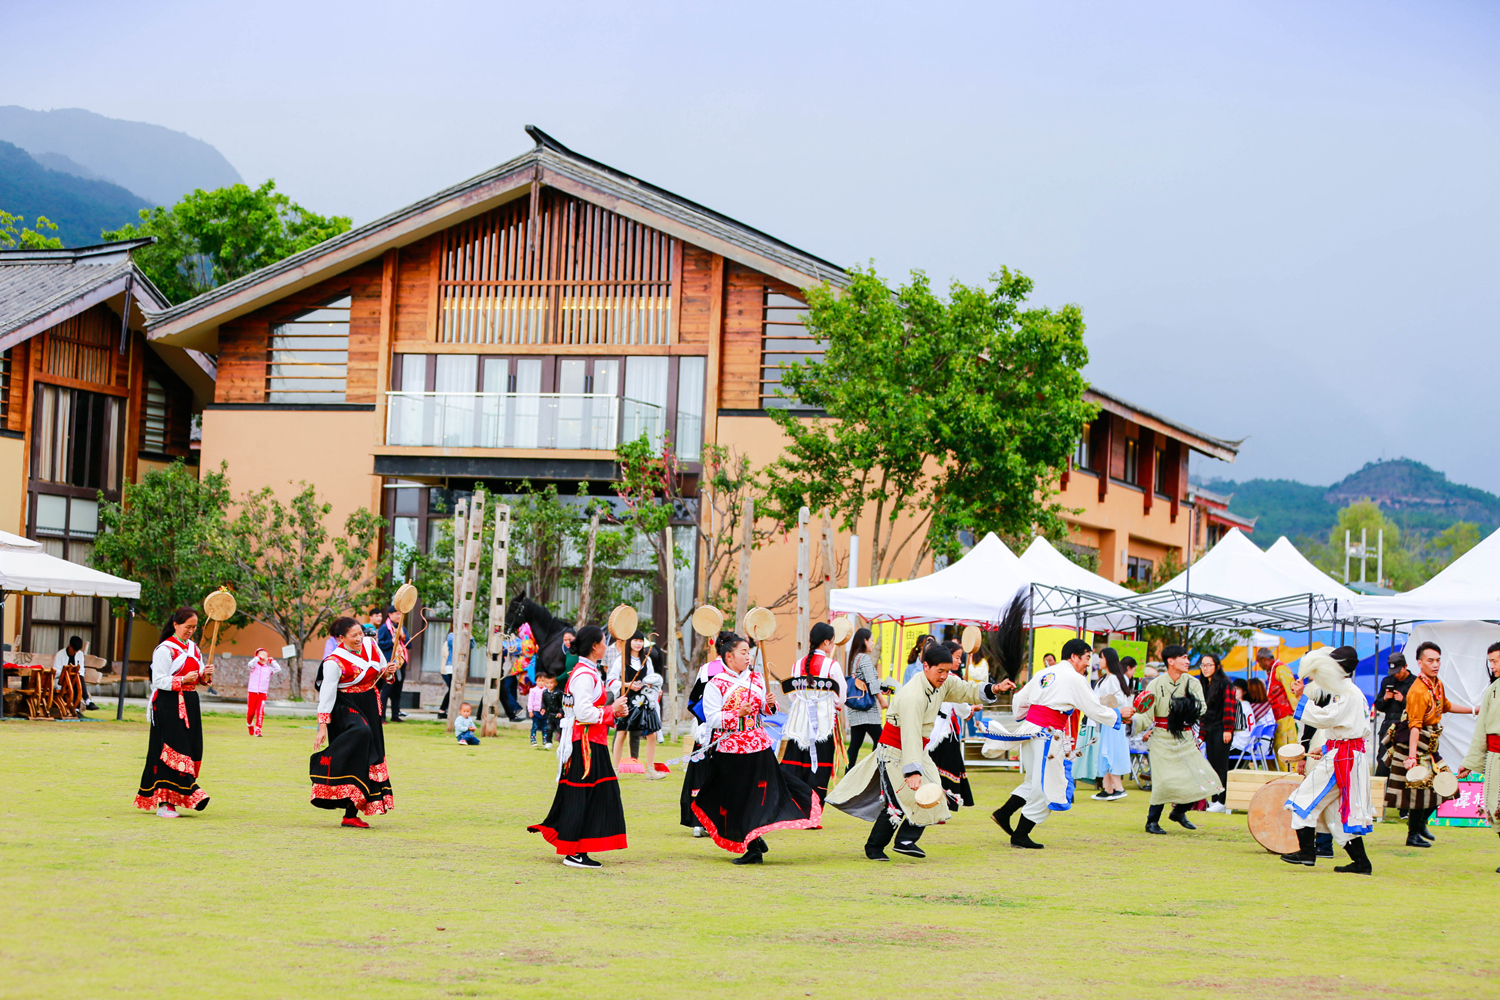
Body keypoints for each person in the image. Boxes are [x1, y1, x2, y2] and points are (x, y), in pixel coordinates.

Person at [828, 643, 1009, 861]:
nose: (944, 676)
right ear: (925, 666)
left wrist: (994, 689)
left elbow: (965, 690)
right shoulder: (912, 695)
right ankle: (874, 847)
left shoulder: (944, 681)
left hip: (917, 750)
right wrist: (912, 771)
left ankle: (905, 840)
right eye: (939, 671)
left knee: (934, 793)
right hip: (894, 751)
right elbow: (910, 733)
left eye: (947, 671)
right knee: (899, 802)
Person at [690, 630, 821, 864]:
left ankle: (753, 846)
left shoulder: (756, 679)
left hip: (759, 748)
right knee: (736, 798)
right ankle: (754, 841)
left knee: (759, 796)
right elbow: (711, 718)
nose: (748, 656)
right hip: (730, 751)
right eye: (743, 652)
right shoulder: (716, 684)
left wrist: (769, 706)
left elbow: (764, 712)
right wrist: (735, 714)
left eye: (748, 652)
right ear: (729, 656)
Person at [989, 638, 1131, 848]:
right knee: (1049, 785)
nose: (1087, 664)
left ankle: (1004, 813)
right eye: (1085, 658)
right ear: (1074, 656)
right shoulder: (1074, 678)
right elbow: (1094, 708)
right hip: (1048, 735)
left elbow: (1019, 700)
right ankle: (1020, 834)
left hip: (1030, 731)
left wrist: (1030, 719)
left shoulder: (1043, 673)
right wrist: (1118, 714)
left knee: (1033, 781)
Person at [527, 626, 629, 869]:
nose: (607, 646)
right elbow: (583, 712)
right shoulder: (584, 674)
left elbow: (590, 709)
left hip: (592, 742)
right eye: (605, 642)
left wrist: (615, 713)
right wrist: (610, 710)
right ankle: (574, 850)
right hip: (585, 743)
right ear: (595, 646)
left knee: (593, 795)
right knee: (584, 795)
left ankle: (578, 847)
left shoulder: (588, 671)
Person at [1279, 646, 1375, 873]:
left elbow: (1326, 718)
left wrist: (1302, 698)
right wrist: (1327, 745)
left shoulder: (1345, 693)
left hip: (1342, 758)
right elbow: (1346, 727)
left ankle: (1307, 852)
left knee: (1302, 799)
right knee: (1334, 812)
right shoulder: (1351, 692)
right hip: (1346, 754)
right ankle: (1361, 863)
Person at [1383, 640, 1477, 848]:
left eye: (1438, 660)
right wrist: (1412, 758)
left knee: (1446, 786)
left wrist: (1473, 710)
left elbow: (1446, 706)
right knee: (1419, 789)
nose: (1435, 664)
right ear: (1420, 663)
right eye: (1430, 660)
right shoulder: (1417, 691)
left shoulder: (1436, 683)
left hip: (1431, 744)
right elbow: (1415, 726)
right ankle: (1413, 834)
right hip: (1415, 744)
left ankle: (1421, 824)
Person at [310, 616, 396, 827]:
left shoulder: (371, 644)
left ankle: (350, 814)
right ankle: (326, 763)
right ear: (341, 638)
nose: (359, 638)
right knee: (361, 732)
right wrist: (322, 726)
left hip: (369, 703)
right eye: (354, 635)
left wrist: (389, 672)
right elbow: (327, 694)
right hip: (344, 706)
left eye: (360, 633)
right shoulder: (334, 661)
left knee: (367, 758)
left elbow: (383, 672)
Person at [135, 608, 212, 817]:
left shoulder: (194, 649)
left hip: (189, 702)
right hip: (168, 703)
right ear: (176, 625)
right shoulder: (165, 650)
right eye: (188, 626)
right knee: (171, 750)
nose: (191, 631)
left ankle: (184, 794)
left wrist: (204, 676)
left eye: (194, 627)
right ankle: (166, 803)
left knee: (192, 747)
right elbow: (158, 680)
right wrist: (182, 680)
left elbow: (198, 677)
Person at [1141, 645, 1222, 834]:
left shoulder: (1192, 682)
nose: (1188, 661)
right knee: (1163, 781)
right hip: (1161, 736)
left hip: (1185, 737)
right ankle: (1152, 821)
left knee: (1202, 777)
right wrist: (1130, 720)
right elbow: (1145, 714)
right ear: (1171, 661)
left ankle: (1179, 811)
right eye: (1183, 657)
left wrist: (1187, 708)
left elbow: (1202, 708)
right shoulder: (1155, 684)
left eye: (1187, 658)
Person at [780, 622, 847, 802]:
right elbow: (841, 697)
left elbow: (793, 697)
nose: (832, 645)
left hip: (800, 723)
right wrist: (831, 705)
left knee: (797, 764)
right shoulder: (831, 666)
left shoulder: (797, 665)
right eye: (832, 642)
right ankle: (813, 811)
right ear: (826, 642)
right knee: (819, 767)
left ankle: (794, 807)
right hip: (823, 723)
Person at [1457, 642, 1500, 873]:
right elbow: (1481, 730)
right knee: (1496, 808)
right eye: (1490, 661)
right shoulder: (1492, 690)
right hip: (1496, 757)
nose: (1492, 666)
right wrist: (1470, 762)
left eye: (1496, 660)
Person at [608, 631, 665, 778]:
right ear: (629, 642)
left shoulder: (647, 660)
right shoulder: (621, 660)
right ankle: (614, 769)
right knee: (621, 733)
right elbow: (610, 681)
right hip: (627, 700)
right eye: (635, 641)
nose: (638, 644)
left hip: (644, 701)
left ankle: (650, 770)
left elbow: (652, 679)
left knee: (651, 734)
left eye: (641, 641)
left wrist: (651, 686)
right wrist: (627, 685)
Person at [928, 640, 976, 810]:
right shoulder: (951, 679)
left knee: (931, 769)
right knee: (942, 769)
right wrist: (970, 710)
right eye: (956, 657)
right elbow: (961, 703)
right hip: (944, 731)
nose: (959, 661)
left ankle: (932, 804)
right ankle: (939, 806)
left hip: (930, 729)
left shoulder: (927, 676)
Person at [1091, 646, 1133, 801]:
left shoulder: (1114, 678)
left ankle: (1119, 788)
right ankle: (1108, 788)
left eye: (1101, 658)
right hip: (1108, 720)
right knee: (1105, 752)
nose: (1099, 661)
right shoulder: (1106, 678)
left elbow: (1120, 700)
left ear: (1107, 659)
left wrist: (1104, 703)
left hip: (1115, 720)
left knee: (1111, 752)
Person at [1197, 652, 1236, 813]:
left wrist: (1228, 729)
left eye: (1209, 665)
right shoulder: (1204, 684)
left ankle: (1222, 800)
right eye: (1203, 665)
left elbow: (1230, 707)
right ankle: (1215, 799)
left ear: (1217, 667)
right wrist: (1202, 733)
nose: (1205, 668)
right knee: (1211, 765)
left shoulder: (1225, 683)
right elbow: (1204, 712)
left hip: (1222, 729)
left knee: (1221, 766)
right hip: (1210, 729)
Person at [845, 628, 886, 769]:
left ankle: (848, 774)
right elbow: (871, 682)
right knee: (881, 742)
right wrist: (882, 700)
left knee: (854, 747)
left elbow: (865, 682)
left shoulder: (855, 658)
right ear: (865, 641)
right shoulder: (864, 658)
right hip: (867, 711)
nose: (873, 643)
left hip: (856, 709)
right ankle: (873, 771)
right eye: (872, 640)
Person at [1256, 647, 1302, 771]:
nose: (1260, 666)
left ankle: (1290, 778)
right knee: (1277, 753)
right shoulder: (1272, 671)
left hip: (1285, 718)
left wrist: (1298, 714)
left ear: (1264, 659)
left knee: (1287, 751)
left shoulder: (1281, 668)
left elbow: (1291, 692)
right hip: (1276, 718)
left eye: (1259, 662)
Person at [1374, 652, 1414, 778]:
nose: (1396, 675)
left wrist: (1403, 700)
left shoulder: (1415, 683)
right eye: (1393, 672)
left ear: (1405, 666)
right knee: (1383, 760)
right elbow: (1378, 706)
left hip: (1405, 726)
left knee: (1402, 760)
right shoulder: (1387, 681)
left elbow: (1418, 707)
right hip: (1388, 724)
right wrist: (1385, 698)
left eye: (1398, 671)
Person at [376, 605, 406, 723]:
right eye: (396, 613)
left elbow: (408, 644)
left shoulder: (401, 628)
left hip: (400, 662)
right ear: (390, 615)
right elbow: (380, 644)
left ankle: (395, 714)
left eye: (400, 614)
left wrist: (402, 637)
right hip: (389, 662)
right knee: (386, 690)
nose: (398, 616)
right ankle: (381, 716)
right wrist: (391, 642)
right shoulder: (385, 628)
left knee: (397, 691)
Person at [245, 647, 281, 736]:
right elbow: (250, 663)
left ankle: (258, 729)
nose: (263, 658)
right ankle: (249, 724)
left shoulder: (268, 669)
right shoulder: (253, 667)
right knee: (251, 712)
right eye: (261, 656)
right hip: (252, 692)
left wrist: (272, 661)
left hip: (262, 693)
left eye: (265, 656)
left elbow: (278, 668)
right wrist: (258, 658)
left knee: (260, 711)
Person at [53, 636, 86, 718]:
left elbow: (81, 669)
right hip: (62, 681)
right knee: (75, 681)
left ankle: (77, 708)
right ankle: (85, 701)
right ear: (69, 646)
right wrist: (66, 673)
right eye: (74, 650)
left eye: (77, 651)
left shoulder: (80, 654)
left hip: (75, 680)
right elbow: (56, 671)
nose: (75, 653)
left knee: (78, 678)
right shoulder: (60, 655)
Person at [527, 673, 551, 748]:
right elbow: (530, 701)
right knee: (535, 726)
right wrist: (530, 711)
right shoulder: (533, 690)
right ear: (536, 681)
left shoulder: (547, 691)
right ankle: (533, 739)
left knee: (545, 727)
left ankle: (545, 740)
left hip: (545, 712)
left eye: (543, 681)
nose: (541, 683)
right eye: (539, 681)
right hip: (536, 711)